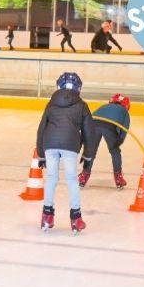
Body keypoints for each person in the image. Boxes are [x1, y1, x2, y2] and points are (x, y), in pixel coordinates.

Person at [36, 72, 94, 234]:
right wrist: (88, 156)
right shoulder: (82, 105)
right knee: (71, 180)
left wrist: (41, 153)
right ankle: (76, 219)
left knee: (51, 178)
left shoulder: (51, 103)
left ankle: (47, 216)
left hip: (50, 144)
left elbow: (41, 128)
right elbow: (89, 132)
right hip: (70, 144)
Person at [78, 94, 131, 189]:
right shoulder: (124, 112)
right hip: (110, 127)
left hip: (93, 125)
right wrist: (119, 142)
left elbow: (90, 117)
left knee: (91, 151)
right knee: (115, 151)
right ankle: (118, 177)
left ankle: (84, 176)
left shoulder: (104, 106)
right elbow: (124, 128)